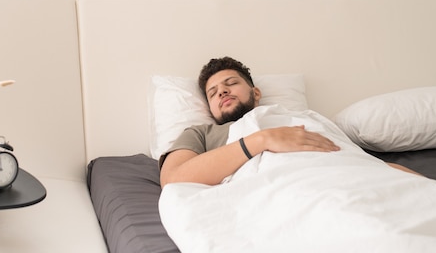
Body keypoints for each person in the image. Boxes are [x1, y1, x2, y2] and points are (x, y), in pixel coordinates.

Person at [159, 56, 417, 188]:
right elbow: (173, 179)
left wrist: (427, 185)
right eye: (213, 93)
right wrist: (262, 140)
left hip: (349, 180)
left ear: (256, 93)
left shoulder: (305, 119)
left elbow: (357, 161)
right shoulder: (201, 133)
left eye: (231, 83)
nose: (223, 92)